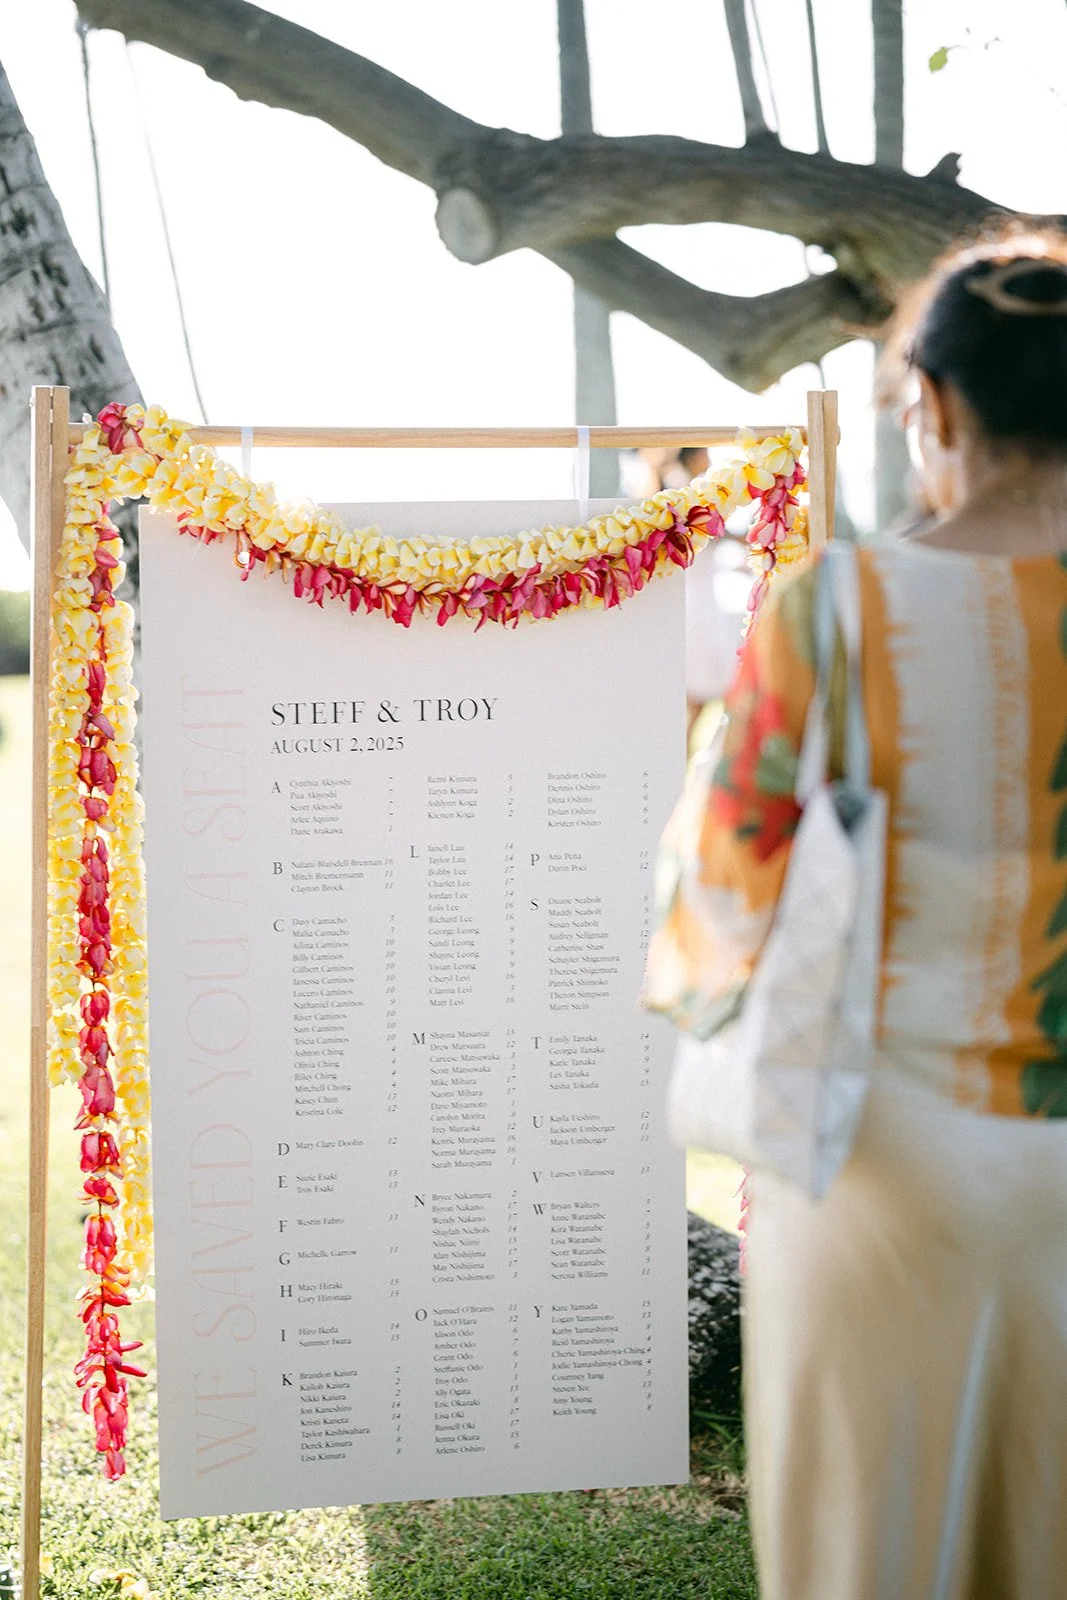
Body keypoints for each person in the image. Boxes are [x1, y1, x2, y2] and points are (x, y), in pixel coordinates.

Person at [643, 226, 1067, 1600]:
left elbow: (724, 891)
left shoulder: (833, 609)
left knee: (867, 1549)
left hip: (873, 1156)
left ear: (929, 402)